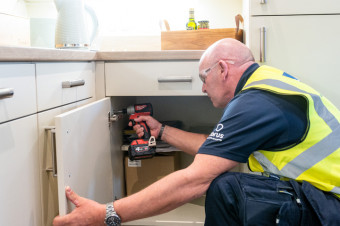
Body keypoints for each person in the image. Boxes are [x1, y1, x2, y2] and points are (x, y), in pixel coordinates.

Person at [53, 38, 340, 226]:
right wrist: (161, 130)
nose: (202, 88)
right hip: (323, 195)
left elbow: (193, 181)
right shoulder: (266, 86)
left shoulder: (255, 103)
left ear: (223, 69)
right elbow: (213, 148)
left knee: (225, 190)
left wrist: (106, 214)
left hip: (331, 206)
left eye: (204, 77)